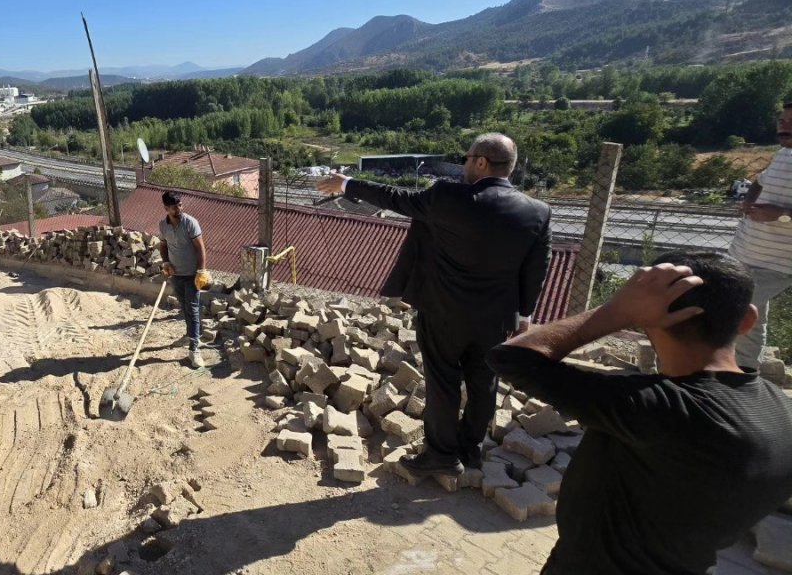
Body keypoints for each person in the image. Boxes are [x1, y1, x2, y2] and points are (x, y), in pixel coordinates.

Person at [487, 253, 792, 574]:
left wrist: (616, 311)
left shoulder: (655, 407)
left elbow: (512, 358)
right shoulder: (782, 413)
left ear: (648, 317)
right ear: (748, 319)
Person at [316, 133, 552, 476]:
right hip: (498, 319)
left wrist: (347, 183)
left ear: (482, 162)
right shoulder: (537, 212)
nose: (464, 164)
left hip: (444, 313)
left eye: (467, 158)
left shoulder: (447, 197)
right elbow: (537, 270)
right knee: (485, 383)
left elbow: (396, 198)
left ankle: (442, 456)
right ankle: (470, 450)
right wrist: (525, 316)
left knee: (443, 382)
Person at [729, 102, 792, 371]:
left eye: (791, 120)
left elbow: (781, 212)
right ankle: (745, 371)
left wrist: (782, 214)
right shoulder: (784, 154)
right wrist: (749, 201)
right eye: (782, 119)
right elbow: (759, 181)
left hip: (778, 263)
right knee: (752, 314)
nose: (783, 124)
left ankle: (721, 369)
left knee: (735, 304)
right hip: (744, 250)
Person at [158, 190, 211, 368]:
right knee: (185, 307)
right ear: (166, 208)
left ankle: (194, 349)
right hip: (176, 274)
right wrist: (166, 263)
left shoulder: (190, 223)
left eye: (180, 205)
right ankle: (190, 334)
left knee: (193, 308)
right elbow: (163, 245)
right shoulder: (163, 226)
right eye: (174, 207)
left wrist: (201, 270)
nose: (179, 209)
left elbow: (200, 248)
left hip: (192, 274)